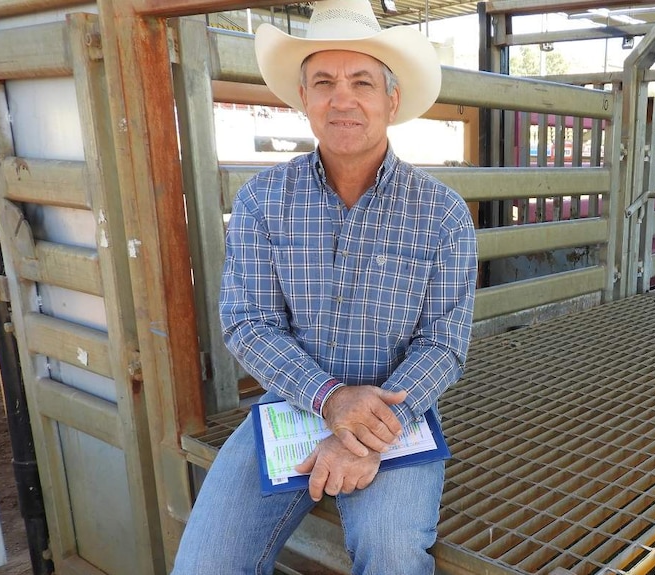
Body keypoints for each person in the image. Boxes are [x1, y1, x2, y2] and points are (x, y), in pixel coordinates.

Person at [170, 0, 477, 573]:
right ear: (304, 100)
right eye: (324, 82)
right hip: (293, 402)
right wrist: (332, 400)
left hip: (398, 413)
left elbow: (444, 343)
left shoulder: (442, 213)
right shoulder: (264, 201)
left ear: (392, 99)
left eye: (362, 81)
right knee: (203, 564)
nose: (343, 98)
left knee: (392, 553)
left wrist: (363, 434)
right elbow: (248, 323)